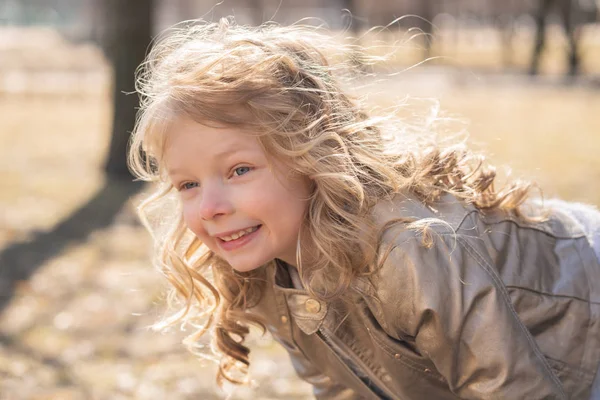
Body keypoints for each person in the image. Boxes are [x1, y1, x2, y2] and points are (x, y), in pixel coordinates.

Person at [128, 17, 600, 399]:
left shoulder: (409, 248)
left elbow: (511, 389)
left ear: (312, 155)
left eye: (239, 171)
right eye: (187, 184)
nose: (209, 207)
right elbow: (342, 382)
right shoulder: (263, 260)